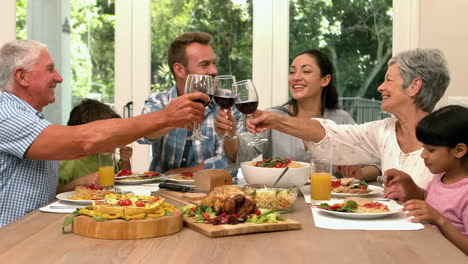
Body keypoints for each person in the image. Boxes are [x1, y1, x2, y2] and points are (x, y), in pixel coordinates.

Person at [0, 39, 209, 227]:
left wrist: (78, 185)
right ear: (22, 76)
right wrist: (165, 116)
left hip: (33, 231)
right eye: (50, 69)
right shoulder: (5, 113)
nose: (59, 77)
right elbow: (84, 140)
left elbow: (45, 189)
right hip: (10, 239)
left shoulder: (30, 118)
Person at [247, 48, 450, 192]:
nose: (380, 87)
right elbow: (332, 135)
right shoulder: (384, 130)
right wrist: (275, 120)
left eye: (388, 80)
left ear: (414, 86)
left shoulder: (450, 139)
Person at [216, 49, 380, 178]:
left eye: (306, 71)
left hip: (328, 203)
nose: (296, 77)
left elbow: (377, 163)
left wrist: (359, 173)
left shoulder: (341, 119)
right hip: (281, 201)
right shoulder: (272, 116)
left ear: (325, 80)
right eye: (292, 72)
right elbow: (243, 155)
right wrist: (230, 134)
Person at [138, 32, 243, 175]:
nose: (214, 70)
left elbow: (229, 161)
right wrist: (171, 119)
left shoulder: (226, 104)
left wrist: (180, 173)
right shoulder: (159, 101)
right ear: (180, 70)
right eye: (204, 64)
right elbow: (142, 136)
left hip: (212, 191)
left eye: (214, 63)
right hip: (162, 193)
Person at [384, 105, 468, 255]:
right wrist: (407, 182)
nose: (423, 155)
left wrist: (440, 220)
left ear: (459, 150)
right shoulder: (441, 176)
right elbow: (431, 201)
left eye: (430, 150)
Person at [57, 99, 133, 193]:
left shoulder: (105, 157)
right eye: (109, 135)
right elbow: (53, 193)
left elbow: (123, 179)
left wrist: (125, 161)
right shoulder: (67, 162)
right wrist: (79, 182)